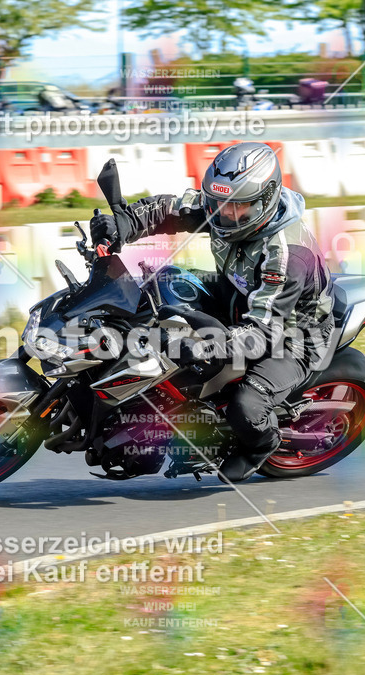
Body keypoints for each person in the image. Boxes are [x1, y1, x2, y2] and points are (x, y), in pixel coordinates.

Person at [89, 142, 336, 482]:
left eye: (238, 207)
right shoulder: (223, 206)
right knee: (157, 287)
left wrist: (210, 345)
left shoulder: (286, 255)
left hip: (294, 334)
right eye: (218, 203)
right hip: (238, 293)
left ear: (266, 200)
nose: (224, 214)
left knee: (246, 405)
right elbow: (169, 210)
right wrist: (125, 223)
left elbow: (264, 331)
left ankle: (259, 445)